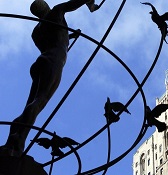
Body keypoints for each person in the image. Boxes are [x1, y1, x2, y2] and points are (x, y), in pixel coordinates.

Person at [0, 0, 99, 157]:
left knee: (31, 103)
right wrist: (92, 6)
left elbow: (52, 42)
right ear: (45, 7)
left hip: (41, 62)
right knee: (40, 102)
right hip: (54, 61)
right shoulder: (56, 12)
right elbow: (75, 2)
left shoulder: (36, 32)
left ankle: (13, 140)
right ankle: (18, 140)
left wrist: (71, 36)